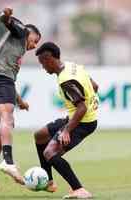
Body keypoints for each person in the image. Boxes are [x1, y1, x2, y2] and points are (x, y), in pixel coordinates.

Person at [0, 7, 41, 189]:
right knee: (7, 119)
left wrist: (20, 100)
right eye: (35, 40)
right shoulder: (22, 32)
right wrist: (6, 15)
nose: (35, 45)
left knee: (5, 125)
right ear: (30, 34)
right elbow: (5, 20)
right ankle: (8, 161)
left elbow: (10, 78)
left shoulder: (18, 48)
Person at [34, 42, 99, 199]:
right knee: (40, 135)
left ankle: (79, 190)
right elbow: (95, 86)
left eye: (43, 63)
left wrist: (67, 130)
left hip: (83, 122)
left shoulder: (65, 80)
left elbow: (82, 108)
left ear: (49, 59)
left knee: (49, 152)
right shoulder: (72, 66)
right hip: (76, 117)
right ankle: (48, 182)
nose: (43, 67)